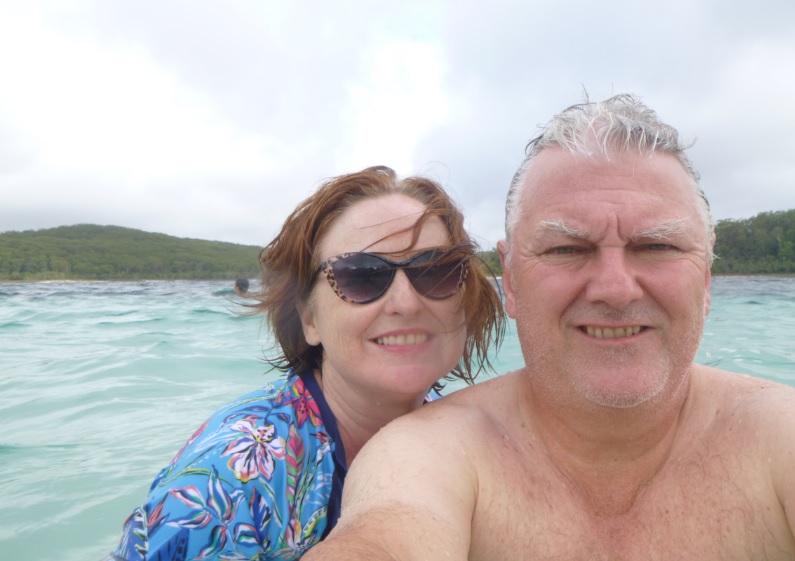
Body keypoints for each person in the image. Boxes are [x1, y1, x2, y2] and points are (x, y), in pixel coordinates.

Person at [302, 95, 795, 560]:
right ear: (511, 280)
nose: (615, 289)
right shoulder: (430, 452)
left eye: (657, 246)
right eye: (566, 249)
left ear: (706, 277)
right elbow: (388, 533)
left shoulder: (777, 436)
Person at [105, 166, 504, 561]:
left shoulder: (473, 443)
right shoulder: (231, 477)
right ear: (310, 319)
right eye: (362, 276)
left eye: (435, 271)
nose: (407, 302)